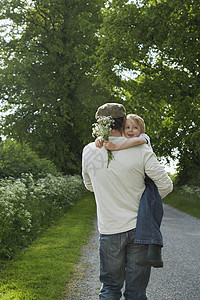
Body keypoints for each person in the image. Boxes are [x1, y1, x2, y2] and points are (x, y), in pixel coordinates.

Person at [82, 103, 173, 300]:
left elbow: (89, 186)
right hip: (139, 229)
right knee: (136, 293)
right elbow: (166, 186)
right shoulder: (141, 149)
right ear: (124, 122)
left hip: (109, 229)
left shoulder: (89, 151)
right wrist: (146, 203)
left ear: (100, 124)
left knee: (109, 289)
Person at [95, 114, 164, 268]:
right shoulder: (126, 141)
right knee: (147, 214)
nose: (131, 130)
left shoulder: (143, 139)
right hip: (142, 179)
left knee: (150, 212)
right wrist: (99, 139)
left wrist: (116, 146)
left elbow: (136, 141)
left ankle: (155, 250)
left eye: (135, 127)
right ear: (122, 128)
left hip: (150, 182)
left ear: (142, 130)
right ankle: (154, 252)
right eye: (127, 127)